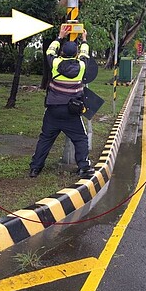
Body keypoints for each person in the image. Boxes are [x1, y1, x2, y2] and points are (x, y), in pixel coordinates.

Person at [29, 26, 95, 179]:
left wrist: (60, 36)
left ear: (63, 52)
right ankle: (83, 167)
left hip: (53, 110)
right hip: (71, 112)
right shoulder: (81, 66)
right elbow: (85, 53)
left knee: (45, 138)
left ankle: (35, 168)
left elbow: (49, 51)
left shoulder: (55, 64)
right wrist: (84, 39)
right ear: (76, 54)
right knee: (80, 138)